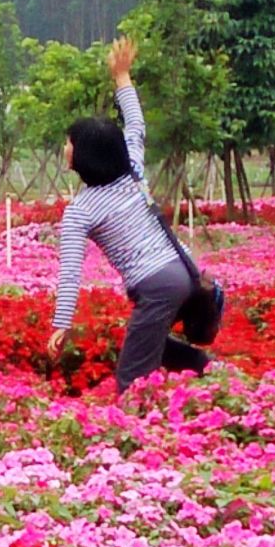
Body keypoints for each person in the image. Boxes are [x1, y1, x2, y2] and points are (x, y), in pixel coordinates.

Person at [48, 37, 211, 391]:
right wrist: (122, 77)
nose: (65, 148)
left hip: (155, 286)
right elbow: (135, 126)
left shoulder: (81, 210)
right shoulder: (133, 168)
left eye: (70, 142)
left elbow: (70, 274)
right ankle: (202, 367)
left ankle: (137, 430)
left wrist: (60, 324)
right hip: (182, 272)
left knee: (131, 379)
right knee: (147, 342)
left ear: (84, 155)